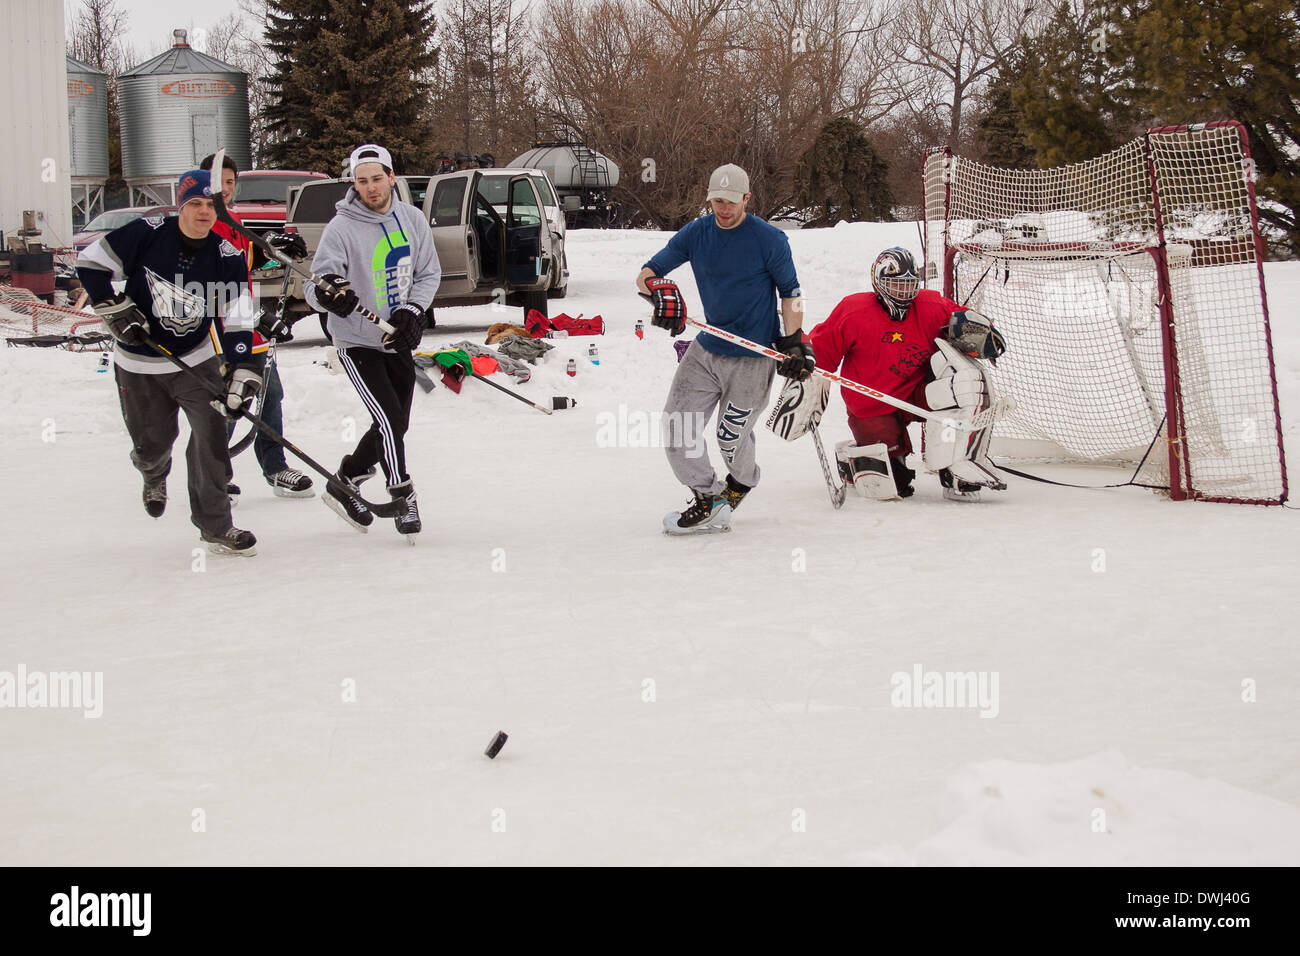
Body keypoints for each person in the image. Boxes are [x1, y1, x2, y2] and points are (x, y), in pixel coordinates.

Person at [76, 169, 261, 554]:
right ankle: (153, 473)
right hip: (139, 363)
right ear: (181, 206)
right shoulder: (147, 233)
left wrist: (241, 365)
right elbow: (90, 263)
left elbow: (239, 316)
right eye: (195, 204)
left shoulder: (225, 256)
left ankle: (216, 525)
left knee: (211, 440)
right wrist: (111, 305)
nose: (204, 212)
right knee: (153, 444)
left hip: (197, 362)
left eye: (212, 205)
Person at [636, 163, 811, 534]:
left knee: (729, 439)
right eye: (717, 201)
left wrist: (795, 341)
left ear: (747, 198)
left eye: (732, 202)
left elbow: (791, 294)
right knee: (677, 426)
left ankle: (743, 481)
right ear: (710, 199)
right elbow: (648, 273)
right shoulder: (696, 233)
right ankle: (708, 499)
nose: (724, 209)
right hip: (707, 350)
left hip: (752, 355)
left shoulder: (769, 239)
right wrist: (660, 293)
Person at [304, 144, 440, 537]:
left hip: (395, 338)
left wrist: (413, 313)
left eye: (377, 178)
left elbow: (428, 274)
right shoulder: (341, 229)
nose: (371, 187)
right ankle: (402, 494)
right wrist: (332, 295)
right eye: (362, 181)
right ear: (354, 183)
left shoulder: (412, 219)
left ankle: (346, 479)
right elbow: (316, 288)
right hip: (356, 340)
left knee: (397, 423)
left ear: (392, 178)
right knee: (390, 419)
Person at [808, 247, 1007, 502]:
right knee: (896, 485)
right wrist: (801, 361)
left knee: (965, 385)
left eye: (909, 285)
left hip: (918, 393)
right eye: (895, 285)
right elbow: (820, 354)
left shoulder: (930, 306)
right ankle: (851, 461)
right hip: (873, 402)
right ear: (878, 282)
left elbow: (962, 318)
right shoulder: (853, 311)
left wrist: (984, 331)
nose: (904, 292)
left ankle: (958, 465)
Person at [199, 152, 314, 501]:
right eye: (220, 181)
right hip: (217, 332)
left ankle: (275, 468)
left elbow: (248, 258)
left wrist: (273, 246)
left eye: (231, 182)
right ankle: (218, 474)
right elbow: (208, 282)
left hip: (246, 326)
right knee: (229, 400)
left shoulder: (232, 220)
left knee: (269, 394)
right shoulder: (200, 222)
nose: (226, 188)